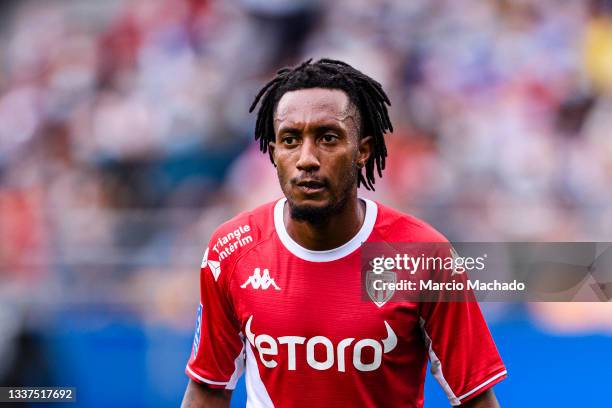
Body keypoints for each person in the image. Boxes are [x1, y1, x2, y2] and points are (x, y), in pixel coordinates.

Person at [181, 59, 506, 407]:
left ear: (362, 151)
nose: (307, 158)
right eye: (290, 140)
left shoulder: (423, 254)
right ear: (274, 154)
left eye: (328, 138)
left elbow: (475, 398)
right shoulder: (232, 250)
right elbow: (208, 388)